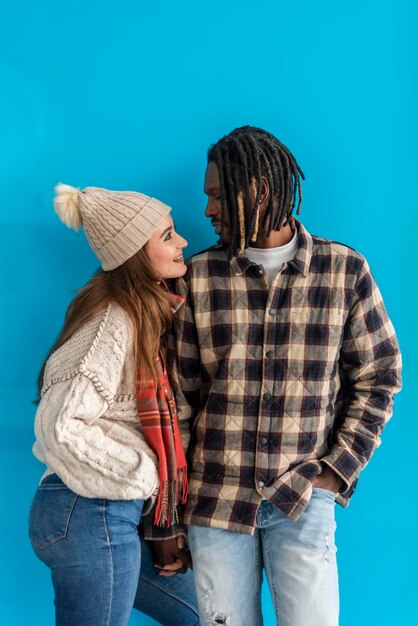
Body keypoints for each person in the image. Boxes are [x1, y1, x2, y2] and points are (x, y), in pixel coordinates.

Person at [171, 126, 402, 626]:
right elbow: (179, 399)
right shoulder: (197, 277)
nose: (208, 210)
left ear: (259, 190)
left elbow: (380, 375)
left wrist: (336, 470)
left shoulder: (344, 271)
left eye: (216, 196)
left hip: (302, 495)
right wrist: (168, 513)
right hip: (215, 502)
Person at [28, 184, 200, 626]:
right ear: (133, 252)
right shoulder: (112, 320)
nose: (182, 242)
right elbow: (60, 427)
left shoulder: (143, 316)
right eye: (167, 235)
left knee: (208, 614)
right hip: (88, 509)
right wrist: (146, 476)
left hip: (105, 511)